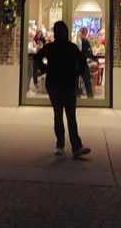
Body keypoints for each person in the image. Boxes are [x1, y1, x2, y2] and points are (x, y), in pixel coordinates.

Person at [34, 21, 91, 158]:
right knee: (68, 116)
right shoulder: (70, 47)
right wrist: (76, 73)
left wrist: (46, 69)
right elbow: (82, 61)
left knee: (60, 115)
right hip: (66, 84)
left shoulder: (52, 47)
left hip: (55, 84)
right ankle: (73, 146)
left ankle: (62, 145)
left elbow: (37, 58)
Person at [74, 26, 98, 98]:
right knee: (87, 80)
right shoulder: (85, 40)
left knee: (75, 81)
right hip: (83, 63)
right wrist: (95, 60)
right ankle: (90, 96)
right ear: (85, 32)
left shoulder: (75, 39)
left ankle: (77, 96)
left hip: (75, 63)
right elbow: (89, 53)